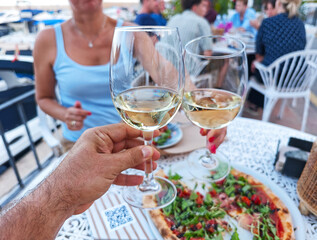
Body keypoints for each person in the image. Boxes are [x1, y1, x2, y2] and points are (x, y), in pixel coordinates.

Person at [0, 123, 226, 239]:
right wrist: (62, 193)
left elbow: (170, 73)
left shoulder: (131, 34)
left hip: (126, 137)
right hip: (91, 141)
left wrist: (210, 107)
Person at [34, 0, 128, 152]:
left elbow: (162, 71)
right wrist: (66, 114)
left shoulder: (129, 32)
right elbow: (44, 98)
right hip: (77, 144)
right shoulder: (47, 39)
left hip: (125, 139)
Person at [248, 0, 306, 110]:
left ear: (278, 3)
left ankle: (253, 103)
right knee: (265, 63)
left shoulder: (267, 23)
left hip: (273, 78)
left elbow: (259, 55)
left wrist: (257, 62)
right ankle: (257, 103)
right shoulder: (300, 24)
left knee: (252, 61)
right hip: (295, 79)